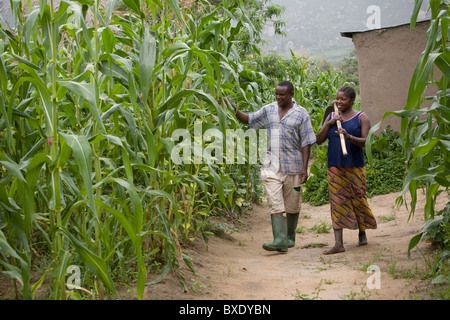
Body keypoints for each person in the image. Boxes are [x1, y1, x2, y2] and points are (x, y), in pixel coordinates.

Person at [227, 81, 316, 253]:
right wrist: (232, 108)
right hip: (271, 166)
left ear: (291, 94)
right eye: (276, 94)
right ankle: (279, 239)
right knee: (275, 203)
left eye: (281, 94)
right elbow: (249, 119)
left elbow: (306, 142)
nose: (278, 97)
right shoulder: (269, 110)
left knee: (292, 206)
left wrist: (304, 168)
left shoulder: (301, 114)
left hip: (294, 166)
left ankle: (289, 238)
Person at [315, 86, 377, 255]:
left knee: (358, 198)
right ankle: (338, 243)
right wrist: (329, 123)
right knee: (337, 202)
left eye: (343, 99)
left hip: (355, 165)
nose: (338, 102)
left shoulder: (361, 118)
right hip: (335, 165)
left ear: (351, 101)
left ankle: (362, 232)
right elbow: (318, 140)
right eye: (337, 98)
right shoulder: (331, 116)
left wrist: (349, 137)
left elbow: (366, 142)